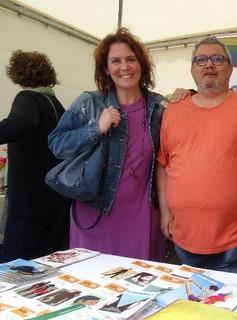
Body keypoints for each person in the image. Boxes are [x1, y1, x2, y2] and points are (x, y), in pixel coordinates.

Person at [156, 37, 237, 274]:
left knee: (229, 310)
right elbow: (164, 164)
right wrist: (165, 211)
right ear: (192, 69)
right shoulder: (173, 111)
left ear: (230, 68)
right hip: (184, 238)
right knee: (193, 308)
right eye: (201, 60)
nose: (209, 65)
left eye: (217, 59)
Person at [48, 28, 165, 261]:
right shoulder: (90, 102)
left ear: (141, 64)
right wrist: (96, 129)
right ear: (105, 68)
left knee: (140, 286)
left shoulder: (158, 107)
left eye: (131, 59)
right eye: (115, 61)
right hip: (96, 213)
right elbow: (57, 144)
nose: (125, 67)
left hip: (143, 218)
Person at [0, 50, 70, 262]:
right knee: (49, 269)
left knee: (14, 271)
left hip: (29, 207)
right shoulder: (57, 106)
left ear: (18, 75)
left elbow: (18, 125)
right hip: (57, 205)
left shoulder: (28, 98)